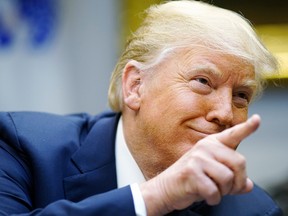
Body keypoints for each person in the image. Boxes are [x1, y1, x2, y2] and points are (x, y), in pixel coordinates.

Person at [0, 0, 283, 215]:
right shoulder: (19, 147)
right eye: (203, 81)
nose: (225, 113)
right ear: (135, 86)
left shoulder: (254, 210)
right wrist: (156, 196)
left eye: (241, 95)